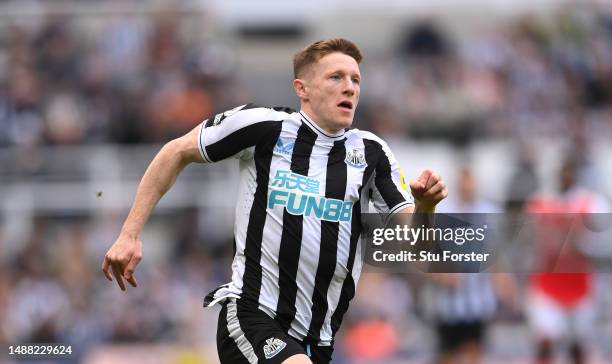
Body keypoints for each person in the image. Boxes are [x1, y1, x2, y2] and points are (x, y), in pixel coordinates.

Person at [102, 38, 447, 364]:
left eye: (356, 79)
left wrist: (427, 208)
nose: (350, 87)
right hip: (252, 314)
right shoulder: (265, 127)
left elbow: (418, 251)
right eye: (336, 77)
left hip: (318, 338)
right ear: (303, 88)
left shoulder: (372, 153)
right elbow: (176, 151)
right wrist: (129, 234)